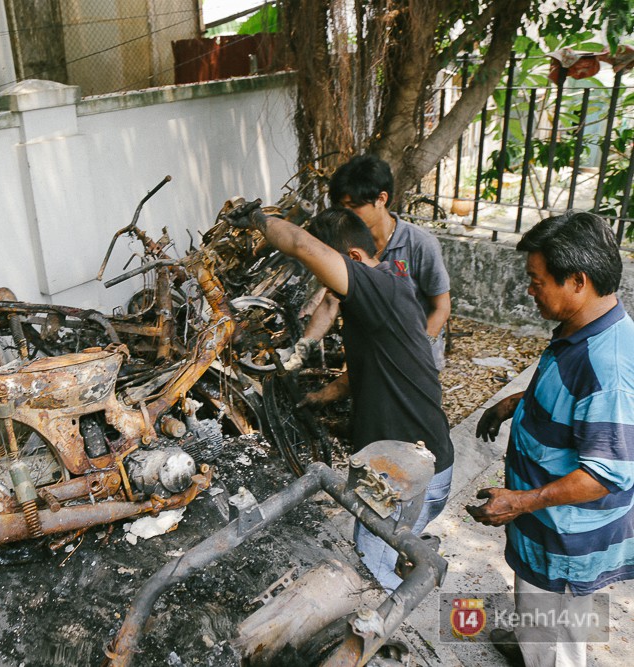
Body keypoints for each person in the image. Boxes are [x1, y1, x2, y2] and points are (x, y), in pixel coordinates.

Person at [229, 204, 454, 592]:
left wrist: (256, 218)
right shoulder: (389, 281)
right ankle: (408, 548)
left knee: (367, 571)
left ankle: (381, 630)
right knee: (382, 544)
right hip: (418, 462)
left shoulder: (378, 288)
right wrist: (308, 361)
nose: (328, 288)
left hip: (406, 476)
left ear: (351, 259)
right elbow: (333, 304)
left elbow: (300, 244)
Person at [470, 211, 634, 667]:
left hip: (567, 540)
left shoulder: (609, 368)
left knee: (556, 635)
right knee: (544, 620)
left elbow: (605, 475)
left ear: (577, 281)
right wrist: (515, 403)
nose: (530, 290)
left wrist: (518, 502)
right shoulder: (582, 330)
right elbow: (572, 399)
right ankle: (532, 646)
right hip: (554, 530)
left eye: (537, 281)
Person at [286, 154, 452, 370]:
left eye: (353, 206)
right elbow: (330, 301)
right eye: (342, 207)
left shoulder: (420, 244)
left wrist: (418, 350)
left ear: (381, 199)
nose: (346, 214)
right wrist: (304, 347)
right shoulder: (346, 242)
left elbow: (441, 307)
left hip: (415, 353)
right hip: (373, 350)